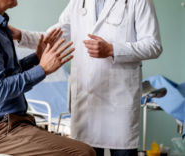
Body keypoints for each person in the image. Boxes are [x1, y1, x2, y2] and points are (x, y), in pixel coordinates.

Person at [9, 0, 163, 155]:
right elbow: (53, 36)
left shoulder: (139, 2)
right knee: (86, 151)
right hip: (86, 103)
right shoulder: (78, 2)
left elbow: (153, 45)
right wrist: (21, 35)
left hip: (119, 103)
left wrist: (112, 49)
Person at [0, 0, 96, 155]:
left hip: (11, 123)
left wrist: (37, 57)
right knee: (84, 152)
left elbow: (8, 74)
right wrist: (43, 69)